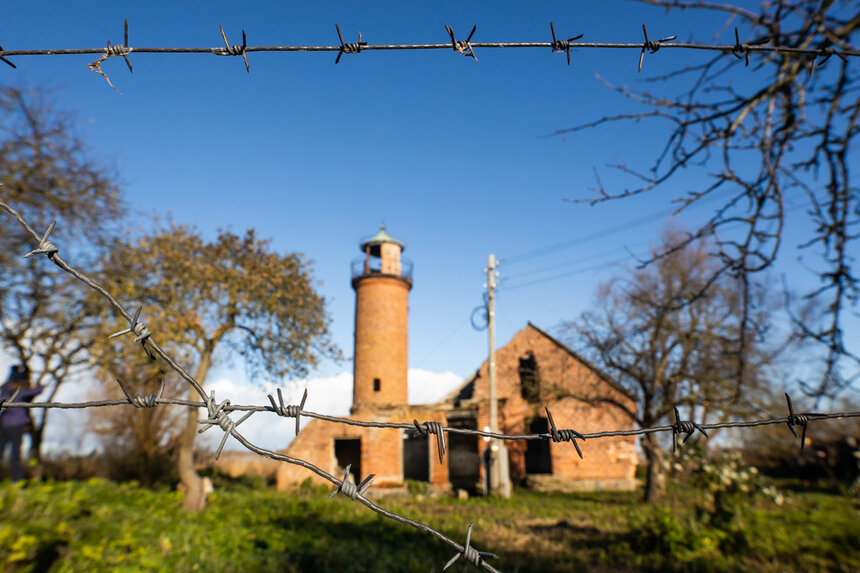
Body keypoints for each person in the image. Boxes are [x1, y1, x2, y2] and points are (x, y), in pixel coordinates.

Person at [0, 365, 42, 481]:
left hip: (4, 424)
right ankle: (16, 481)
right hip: (17, 425)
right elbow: (38, 390)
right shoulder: (22, 391)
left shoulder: (5, 389)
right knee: (15, 456)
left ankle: (14, 481)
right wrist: (37, 385)